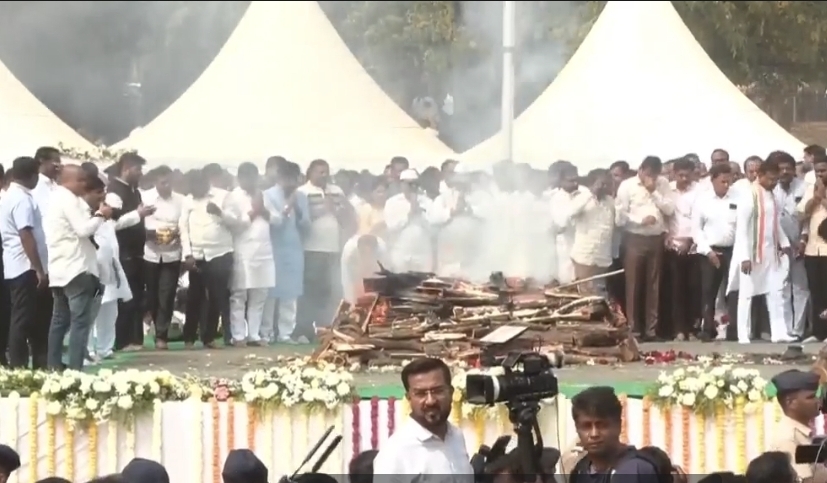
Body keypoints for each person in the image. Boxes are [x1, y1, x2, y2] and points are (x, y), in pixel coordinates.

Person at [45, 165, 111, 370]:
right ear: (68, 180)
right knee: (79, 323)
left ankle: (53, 366)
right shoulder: (68, 199)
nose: (84, 184)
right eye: (81, 180)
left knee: (59, 321)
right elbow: (83, 230)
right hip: (76, 267)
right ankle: (75, 370)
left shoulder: (54, 198)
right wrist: (100, 215)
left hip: (59, 268)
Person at [373, 358, 474, 481]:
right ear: (409, 398)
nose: (430, 401)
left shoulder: (456, 436)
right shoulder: (394, 454)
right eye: (420, 393)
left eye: (438, 391)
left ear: (451, 392)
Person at [728, 159, 794, 344]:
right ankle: (743, 333)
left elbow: (775, 223)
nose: (774, 183)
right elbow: (742, 228)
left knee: (775, 293)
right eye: (771, 179)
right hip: (751, 253)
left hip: (770, 253)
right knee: (747, 294)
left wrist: (784, 243)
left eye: (776, 179)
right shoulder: (749, 194)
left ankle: (779, 332)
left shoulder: (771, 194)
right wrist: (744, 257)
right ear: (760, 175)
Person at [615, 156, 675, 342]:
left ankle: (651, 330)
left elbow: (669, 209)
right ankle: (634, 330)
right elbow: (620, 216)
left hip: (656, 238)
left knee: (653, 285)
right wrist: (640, 220)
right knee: (633, 284)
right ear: (640, 170)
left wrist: (653, 191)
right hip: (635, 238)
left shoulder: (662, 184)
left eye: (654, 175)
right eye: (648, 174)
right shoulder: (627, 186)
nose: (651, 178)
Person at [0, 157, 50, 369]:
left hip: (17, 265)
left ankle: (33, 363)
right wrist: (38, 268)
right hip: (25, 266)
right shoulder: (21, 199)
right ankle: (18, 366)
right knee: (22, 319)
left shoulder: (10, 196)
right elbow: (25, 234)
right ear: (32, 176)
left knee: (29, 317)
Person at [297, 159, 354, 340]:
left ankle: (326, 328)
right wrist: (324, 209)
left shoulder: (336, 191)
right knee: (311, 292)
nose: (324, 175)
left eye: (326, 172)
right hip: (312, 249)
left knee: (330, 291)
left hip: (333, 249)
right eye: (320, 172)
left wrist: (338, 210)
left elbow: (347, 217)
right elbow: (302, 220)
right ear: (310, 173)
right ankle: (305, 330)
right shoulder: (303, 192)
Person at [180, 169, 234, 349]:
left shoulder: (223, 196)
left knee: (217, 296)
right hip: (197, 255)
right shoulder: (188, 200)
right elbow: (183, 228)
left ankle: (209, 337)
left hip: (220, 252)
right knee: (194, 296)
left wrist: (220, 213)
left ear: (205, 183)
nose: (194, 190)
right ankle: (189, 338)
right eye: (191, 186)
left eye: (197, 186)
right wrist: (187, 254)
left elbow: (236, 222)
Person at [107, 153, 155, 352]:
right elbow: (113, 223)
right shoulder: (114, 192)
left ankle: (135, 339)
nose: (140, 173)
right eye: (137, 169)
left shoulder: (135, 191)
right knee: (125, 298)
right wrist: (138, 214)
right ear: (126, 168)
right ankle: (122, 340)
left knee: (137, 296)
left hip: (137, 252)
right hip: (123, 252)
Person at [225, 163, 277, 346]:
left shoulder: (263, 195)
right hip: (243, 251)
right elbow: (232, 225)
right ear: (240, 178)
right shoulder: (232, 197)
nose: (251, 181)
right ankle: (238, 335)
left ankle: (254, 335)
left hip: (264, 251)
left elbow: (278, 219)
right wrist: (253, 213)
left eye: (254, 177)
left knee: (260, 295)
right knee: (239, 295)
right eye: (247, 177)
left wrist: (263, 211)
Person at [84, 173, 132, 362]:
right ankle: (87, 350)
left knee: (110, 310)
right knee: (88, 313)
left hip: (110, 269)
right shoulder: (83, 213)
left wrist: (138, 214)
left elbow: (121, 221)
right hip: (90, 268)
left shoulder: (107, 215)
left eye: (103, 192)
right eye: (98, 192)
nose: (102, 196)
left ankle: (105, 348)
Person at [263, 161, 311, 344]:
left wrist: (297, 208)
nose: (290, 183)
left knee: (290, 294)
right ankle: (266, 332)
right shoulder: (268, 195)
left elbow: (306, 225)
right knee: (270, 294)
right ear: (280, 177)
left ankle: (285, 333)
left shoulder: (301, 197)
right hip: (273, 248)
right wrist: (287, 206)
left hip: (294, 249)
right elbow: (274, 223)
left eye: (294, 179)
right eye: (287, 179)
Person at [568, 386, 658, 483]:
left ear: (618, 425)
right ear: (577, 428)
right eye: (586, 426)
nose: (594, 434)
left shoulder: (633, 469)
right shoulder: (580, 470)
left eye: (602, 425)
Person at [141, 165, 184, 349]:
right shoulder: (145, 197)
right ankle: (154, 326)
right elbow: (138, 222)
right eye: (162, 182)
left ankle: (161, 335)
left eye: (169, 182)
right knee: (152, 295)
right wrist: (148, 235)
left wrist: (176, 235)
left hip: (172, 254)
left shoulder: (181, 201)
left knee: (167, 294)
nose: (166, 186)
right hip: (150, 253)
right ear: (155, 181)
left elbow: (184, 225)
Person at [693, 163, 737, 341]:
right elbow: (697, 229)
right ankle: (708, 328)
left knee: (733, 290)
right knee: (708, 291)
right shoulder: (703, 200)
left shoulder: (737, 197)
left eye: (729, 181)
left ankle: (733, 328)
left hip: (733, 249)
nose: (726, 185)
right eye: (722, 181)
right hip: (710, 250)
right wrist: (708, 252)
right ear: (713, 180)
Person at [767, 370, 827, 482]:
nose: (818, 401)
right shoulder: (788, 439)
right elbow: (806, 480)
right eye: (811, 397)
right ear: (790, 403)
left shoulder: (802, 432)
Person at [566, 168, 615, 296]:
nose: (605, 187)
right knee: (585, 295)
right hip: (585, 256)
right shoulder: (581, 198)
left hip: (603, 257)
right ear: (593, 183)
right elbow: (570, 213)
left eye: (607, 183)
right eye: (602, 183)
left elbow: (619, 222)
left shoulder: (610, 201)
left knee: (600, 294)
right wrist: (591, 194)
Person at [798, 153, 827, 340]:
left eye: (823, 171)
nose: (820, 175)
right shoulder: (811, 189)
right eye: (817, 171)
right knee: (816, 292)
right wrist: (815, 197)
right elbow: (801, 215)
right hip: (812, 249)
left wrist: (823, 197)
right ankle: (818, 332)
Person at [384, 169, 435, 272]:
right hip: (400, 251)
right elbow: (391, 226)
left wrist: (419, 213)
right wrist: (409, 215)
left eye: (415, 183)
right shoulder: (392, 202)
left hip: (423, 253)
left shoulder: (427, 202)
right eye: (409, 184)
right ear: (402, 184)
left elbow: (433, 228)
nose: (413, 187)